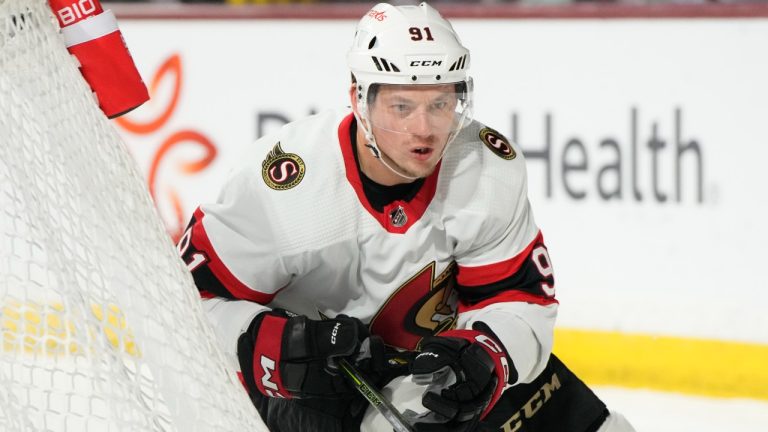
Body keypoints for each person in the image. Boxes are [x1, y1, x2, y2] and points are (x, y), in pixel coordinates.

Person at [177, 2, 635, 431]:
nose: (425, 129)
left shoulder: (485, 169)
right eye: (402, 107)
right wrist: (275, 344)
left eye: (440, 104)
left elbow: (518, 298)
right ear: (359, 99)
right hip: (309, 394)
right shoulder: (281, 186)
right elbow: (185, 305)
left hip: (430, 368)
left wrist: (486, 355)